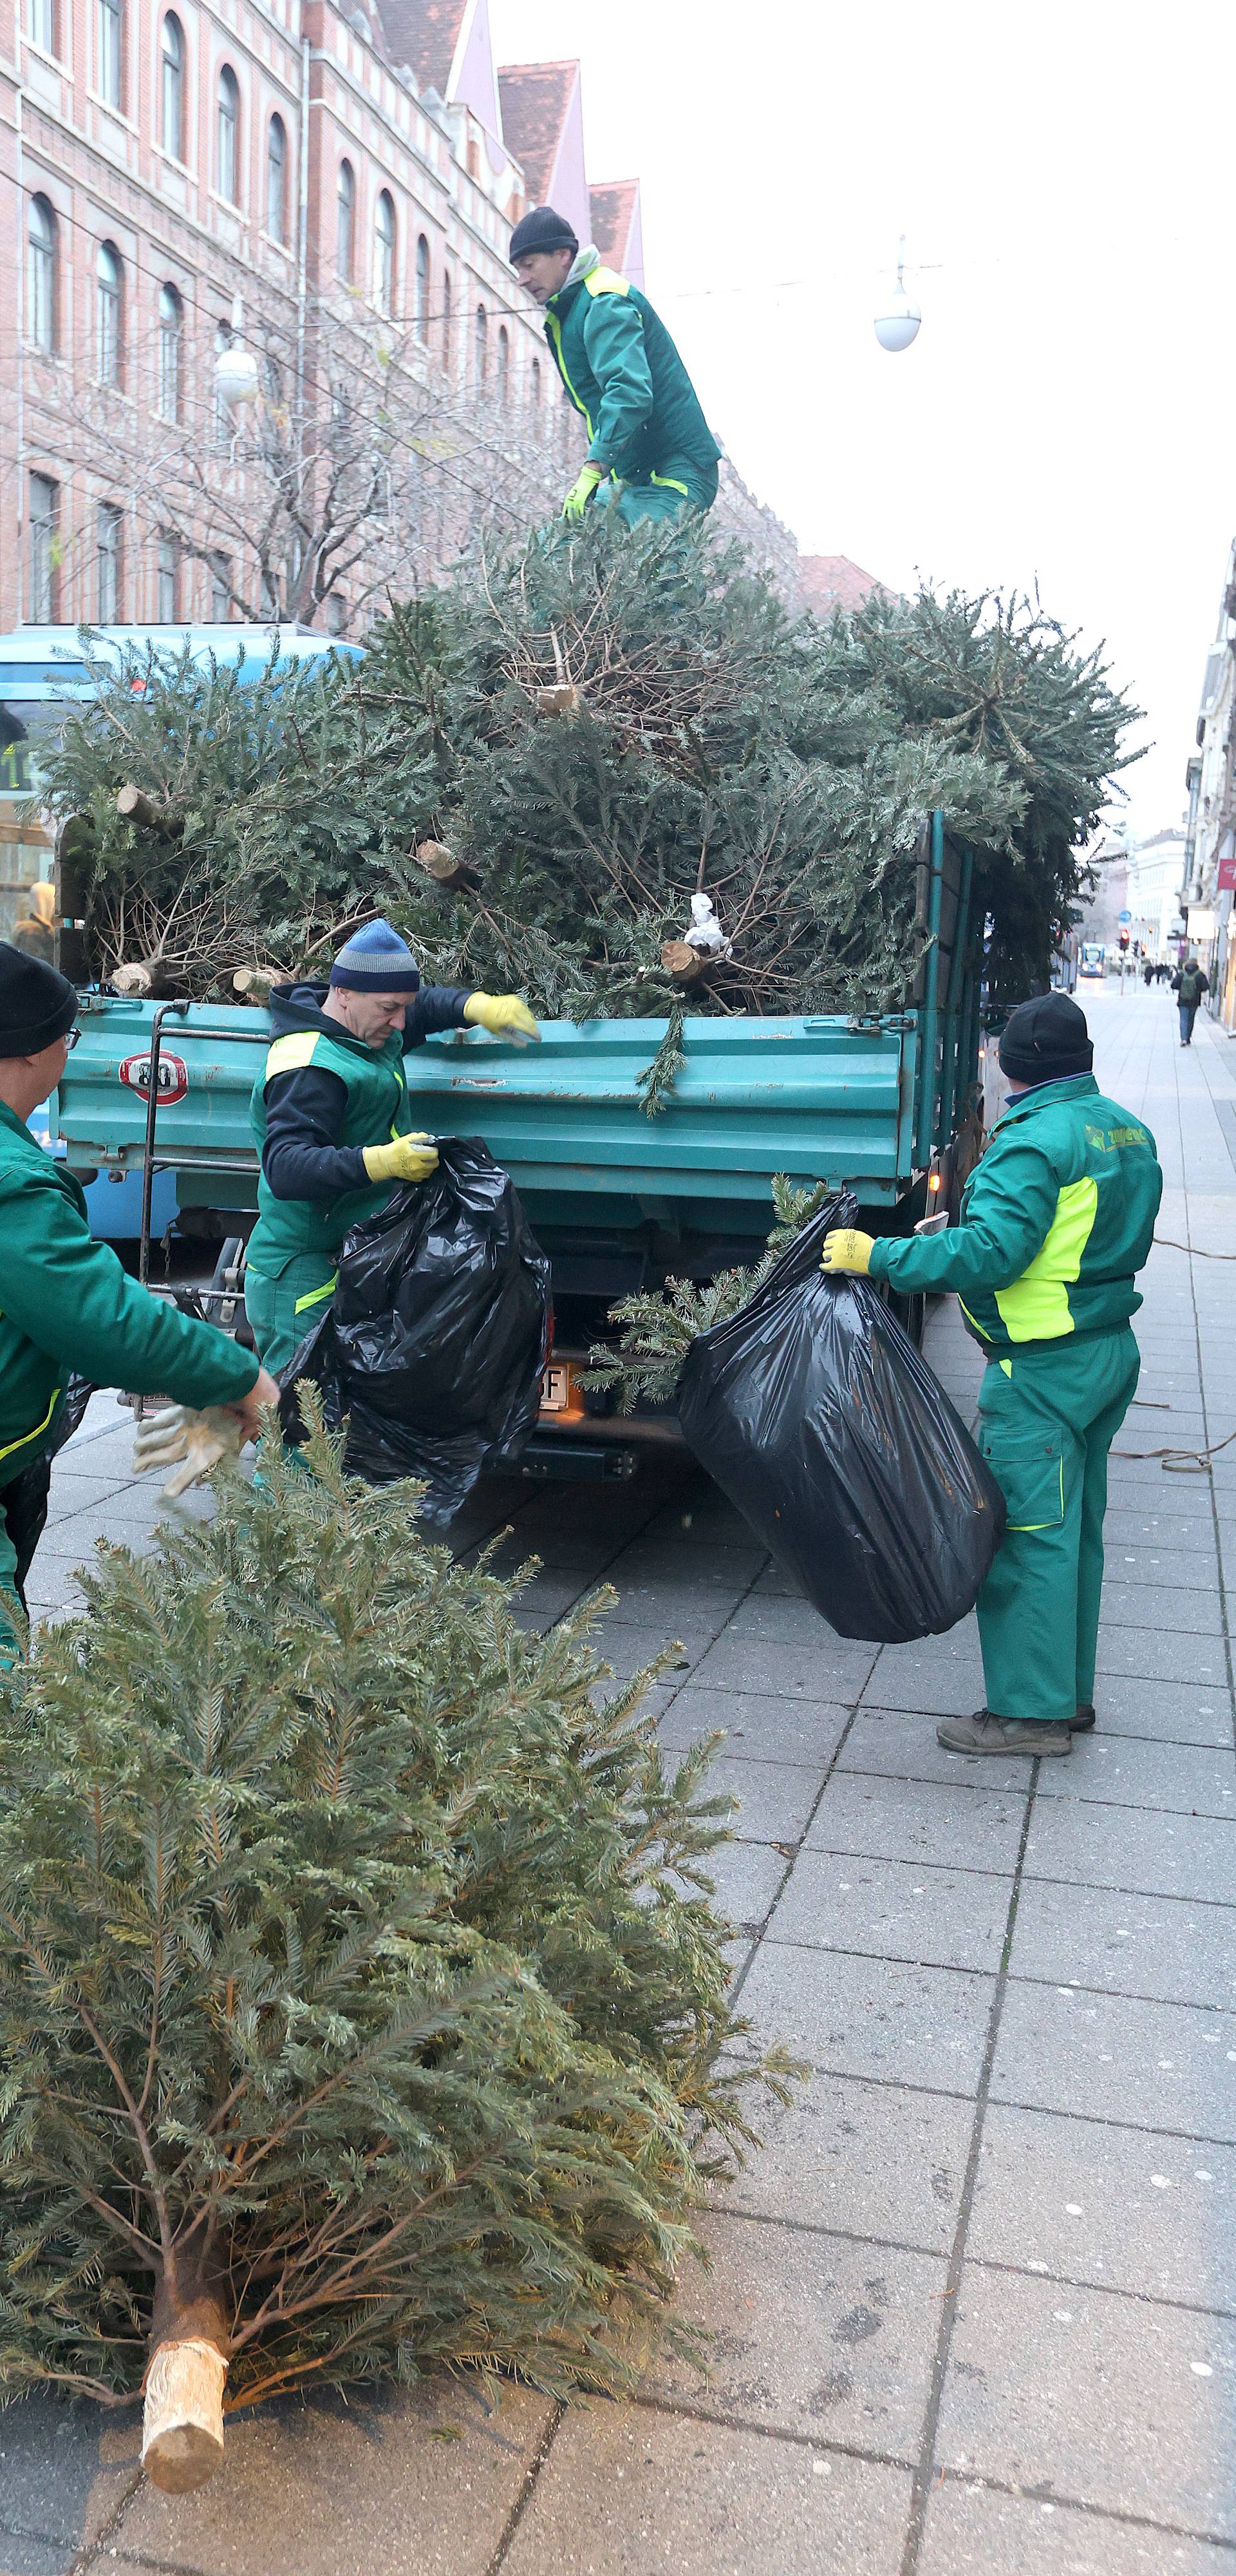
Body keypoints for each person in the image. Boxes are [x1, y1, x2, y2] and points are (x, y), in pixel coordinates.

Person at [819, 992, 1163, 1758]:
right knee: (1075, 1532)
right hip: (1105, 1353)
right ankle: (1065, 1694)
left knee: (1027, 1538)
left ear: (1013, 1065)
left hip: (1042, 1368)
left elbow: (992, 1253)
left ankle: (1028, 1715)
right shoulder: (1123, 1129)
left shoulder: (1034, 1143)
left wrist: (879, 1256)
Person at [0, 944, 277, 1653]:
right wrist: (239, 1375)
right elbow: (99, 1318)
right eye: (70, 1036)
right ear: (29, 1053)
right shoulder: (11, 1184)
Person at [244, 920, 539, 1374]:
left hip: (353, 1255)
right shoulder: (310, 1066)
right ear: (343, 992)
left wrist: (474, 1005)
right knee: (303, 1428)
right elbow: (286, 1168)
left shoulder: (362, 1030)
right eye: (389, 1008)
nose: (400, 1021)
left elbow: (420, 1012)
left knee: (345, 1423)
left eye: (404, 1006)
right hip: (305, 1273)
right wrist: (382, 1162)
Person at [509, 204, 722, 527]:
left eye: (529, 265)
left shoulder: (604, 301)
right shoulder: (575, 308)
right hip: (639, 477)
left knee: (625, 556)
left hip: (677, 475)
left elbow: (629, 393)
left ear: (563, 255)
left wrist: (592, 471)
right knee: (561, 542)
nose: (522, 279)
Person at [1171, 954, 1208, 1046]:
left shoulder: (1182, 973)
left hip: (1183, 1001)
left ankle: (1183, 1039)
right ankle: (1188, 1038)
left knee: (1183, 1019)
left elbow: (1174, 985)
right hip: (1194, 1001)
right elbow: (1206, 987)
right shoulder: (1200, 974)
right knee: (1191, 1019)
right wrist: (1198, 990)